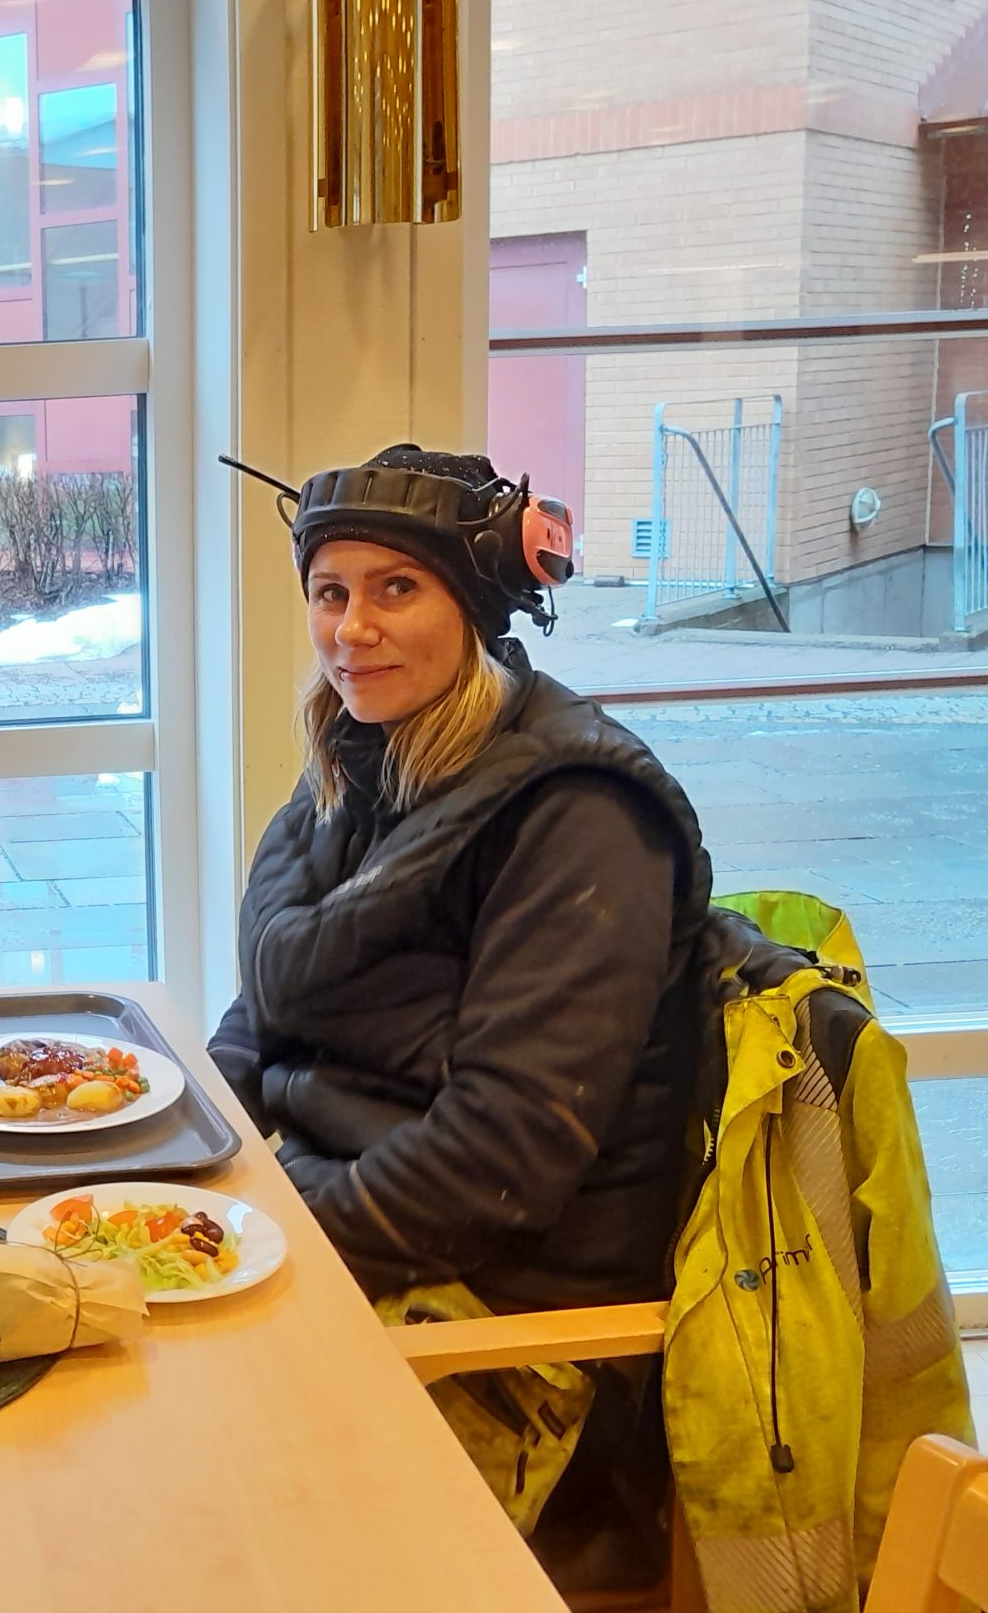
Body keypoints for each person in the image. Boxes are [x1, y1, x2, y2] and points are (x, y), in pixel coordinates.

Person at [209, 445, 713, 1315]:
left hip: (500, 1302)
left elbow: (499, 1159)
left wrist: (249, 1239)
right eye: (331, 593)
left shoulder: (579, 811)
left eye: (397, 588)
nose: (352, 629)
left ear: (476, 608)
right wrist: (182, 1153)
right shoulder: (362, 759)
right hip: (339, 1217)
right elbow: (265, 1015)